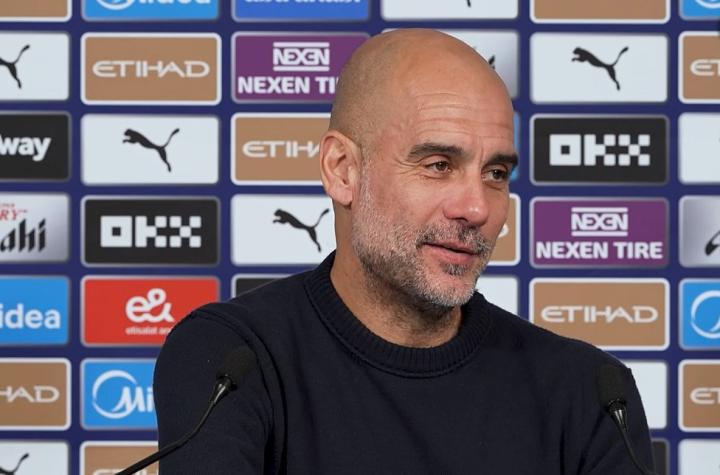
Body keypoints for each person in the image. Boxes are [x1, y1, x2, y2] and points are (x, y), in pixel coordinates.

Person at [154, 29, 654, 474]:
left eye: (496, 174)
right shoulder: (232, 359)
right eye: (438, 165)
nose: (476, 207)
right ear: (343, 171)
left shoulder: (592, 393)